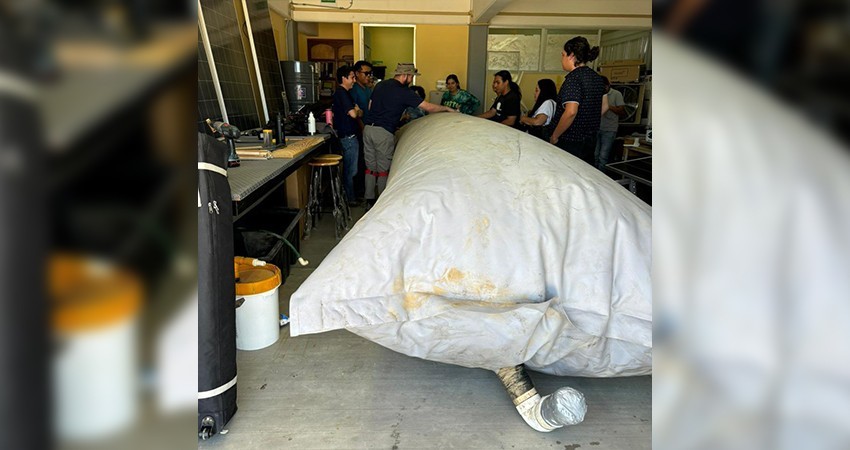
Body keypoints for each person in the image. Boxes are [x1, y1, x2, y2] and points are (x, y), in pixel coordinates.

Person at [362, 63, 458, 208]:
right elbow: (428, 107)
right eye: (412, 77)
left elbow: (370, 106)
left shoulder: (380, 86)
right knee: (383, 170)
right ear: (405, 75)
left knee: (370, 167)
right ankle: (381, 205)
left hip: (368, 129)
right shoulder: (404, 92)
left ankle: (368, 199)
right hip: (383, 132)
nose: (412, 80)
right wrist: (446, 108)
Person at [549, 37, 609, 166]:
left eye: (563, 55)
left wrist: (555, 136)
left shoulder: (573, 79)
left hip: (570, 141)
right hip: (590, 140)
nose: (561, 59)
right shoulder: (597, 78)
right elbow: (605, 106)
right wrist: (587, 119)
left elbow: (571, 112)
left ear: (571, 56)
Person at [331, 65, 362, 205]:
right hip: (348, 137)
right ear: (343, 78)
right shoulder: (342, 93)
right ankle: (349, 199)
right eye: (352, 77)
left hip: (348, 136)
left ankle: (351, 196)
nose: (354, 80)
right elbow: (354, 113)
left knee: (351, 169)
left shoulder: (344, 93)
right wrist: (358, 111)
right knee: (351, 169)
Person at [596, 76, 627, 171]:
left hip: (609, 129)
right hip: (597, 127)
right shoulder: (597, 93)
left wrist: (608, 106)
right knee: (595, 154)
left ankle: (602, 176)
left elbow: (622, 111)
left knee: (603, 155)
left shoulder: (616, 94)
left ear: (608, 85)